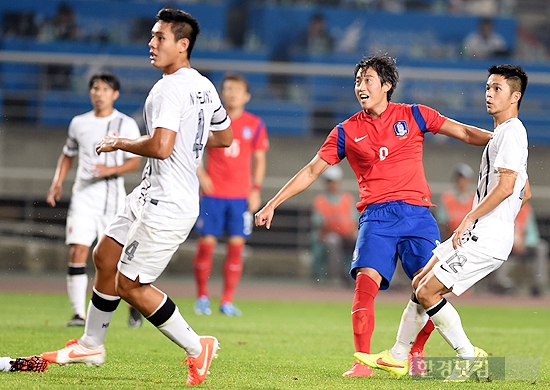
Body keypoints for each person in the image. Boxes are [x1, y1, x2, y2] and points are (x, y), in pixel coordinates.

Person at [255, 54, 493, 378]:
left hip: (418, 215)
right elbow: (312, 169)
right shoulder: (346, 130)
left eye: (367, 80)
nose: (360, 86)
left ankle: (415, 352)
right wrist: (273, 202)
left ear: (387, 85)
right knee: (365, 285)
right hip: (376, 217)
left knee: (431, 287)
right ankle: (361, 361)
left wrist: (501, 141)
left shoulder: (415, 114)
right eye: (357, 81)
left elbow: (464, 133)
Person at [42, 8, 233, 387]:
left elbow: (161, 147)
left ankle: (198, 347)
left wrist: (120, 141)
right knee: (104, 255)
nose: (151, 43)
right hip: (150, 191)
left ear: (183, 45)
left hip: (169, 200)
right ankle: (91, 343)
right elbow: (224, 137)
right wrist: (190, 141)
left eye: (159, 38)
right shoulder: (204, 85)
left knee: (130, 284)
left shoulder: (168, 88)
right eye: (151, 36)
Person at [355, 64, 530, 382]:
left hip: (485, 235)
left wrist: (473, 219)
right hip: (482, 231)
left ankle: (468, 355)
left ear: (515, 96)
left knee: (429, 292)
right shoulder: (503, 135)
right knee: (420, 280)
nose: (489, 94)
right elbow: (524, 189)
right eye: (488, 87)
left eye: (497, 89)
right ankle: (397, 356)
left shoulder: (513, 132)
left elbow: (507, 187)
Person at [47, 71, 142, 327]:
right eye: (95, 89)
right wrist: (57, 182)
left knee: (118, 259)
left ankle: (134, 304)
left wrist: (109, 169)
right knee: (78, 249)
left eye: (104, 90)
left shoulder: (125, 124)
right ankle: (79, 313)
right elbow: (68, 154)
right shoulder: (79, 122)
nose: (99, 94)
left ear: (115, 94)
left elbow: (135, 161)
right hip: (84, 197)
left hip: (113, 200)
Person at [193, 73, 269, 317]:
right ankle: (202, 297)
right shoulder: (211, 120)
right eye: (228, 88)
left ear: (246, 96)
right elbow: (192, 148)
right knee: (206, 246)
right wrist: (200, 174)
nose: (232, 92)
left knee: (236, 248)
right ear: (221, 93)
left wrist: (256, 189)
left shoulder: (255, 124)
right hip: (213, 194)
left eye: (237, 89)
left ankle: (227, 300)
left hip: (240, 197)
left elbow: (259, 159)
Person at [310, 164, 358, 285]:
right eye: (329, 182)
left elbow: (355, 220)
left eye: (334, 181)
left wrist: (348, 230)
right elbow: (319, 223)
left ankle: (357, 276)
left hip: (348, 234)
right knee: (333, 241)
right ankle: (336, 277)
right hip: (330, 235)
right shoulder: (320, 200)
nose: (332, 184)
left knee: (360, 240)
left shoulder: (348, 199)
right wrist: (337, 229)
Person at [489, 202, 548, 296]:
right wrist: (511, 241)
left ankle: (538, 283)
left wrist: (523, 242)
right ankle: (500, 283)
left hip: (524, 245)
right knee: (500, 246)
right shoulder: (502, 208)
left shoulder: (526, 209)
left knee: (541, 247)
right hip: (506, 244)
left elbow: (533, 234)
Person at [436, 163, 476, 240]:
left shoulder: (475, 199)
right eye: (459, 179)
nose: (461, 182)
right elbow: (442, 222)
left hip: (469, 241)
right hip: (449, 240)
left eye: (464, 179)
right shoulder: (446, 198)